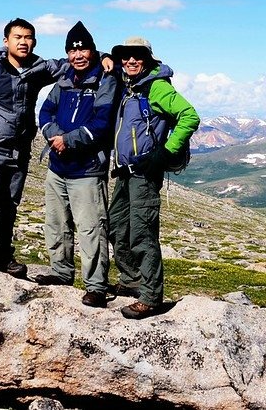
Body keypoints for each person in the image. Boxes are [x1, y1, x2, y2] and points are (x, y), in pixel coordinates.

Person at [0, 18, 71, 277]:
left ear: (34, 42)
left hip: (19, 151)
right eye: (17, 37)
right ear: (6, 41)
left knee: (8, 203)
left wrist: (105, 57)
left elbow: (73, 62)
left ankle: (3, 254)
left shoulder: (39, 68)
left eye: (28, 37)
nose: (23, 42)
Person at [108, 37, 199, 319]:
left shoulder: (156, 87)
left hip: (145, 174)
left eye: (138, 56)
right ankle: (132, 279)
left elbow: (189, 116)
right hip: (125, 172)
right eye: (126, 56)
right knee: (116, 226)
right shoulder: (128, 84)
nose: (131, 60)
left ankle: (150, 296)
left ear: (147, 58)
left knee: (142, 233)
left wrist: (165, 152)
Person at [33, 21, 120, 308]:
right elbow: (45, 111)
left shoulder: (105, 78)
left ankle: (96, 286)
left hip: (87, 168)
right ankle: (61, 272)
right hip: (58, 168)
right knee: (56, 223)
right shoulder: (65, 78)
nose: (77, 55)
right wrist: (53, 135)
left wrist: (68, 140)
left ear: (93, 51)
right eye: (71, 50)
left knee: (91, 228)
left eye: (82, 50)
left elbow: (102, 124)